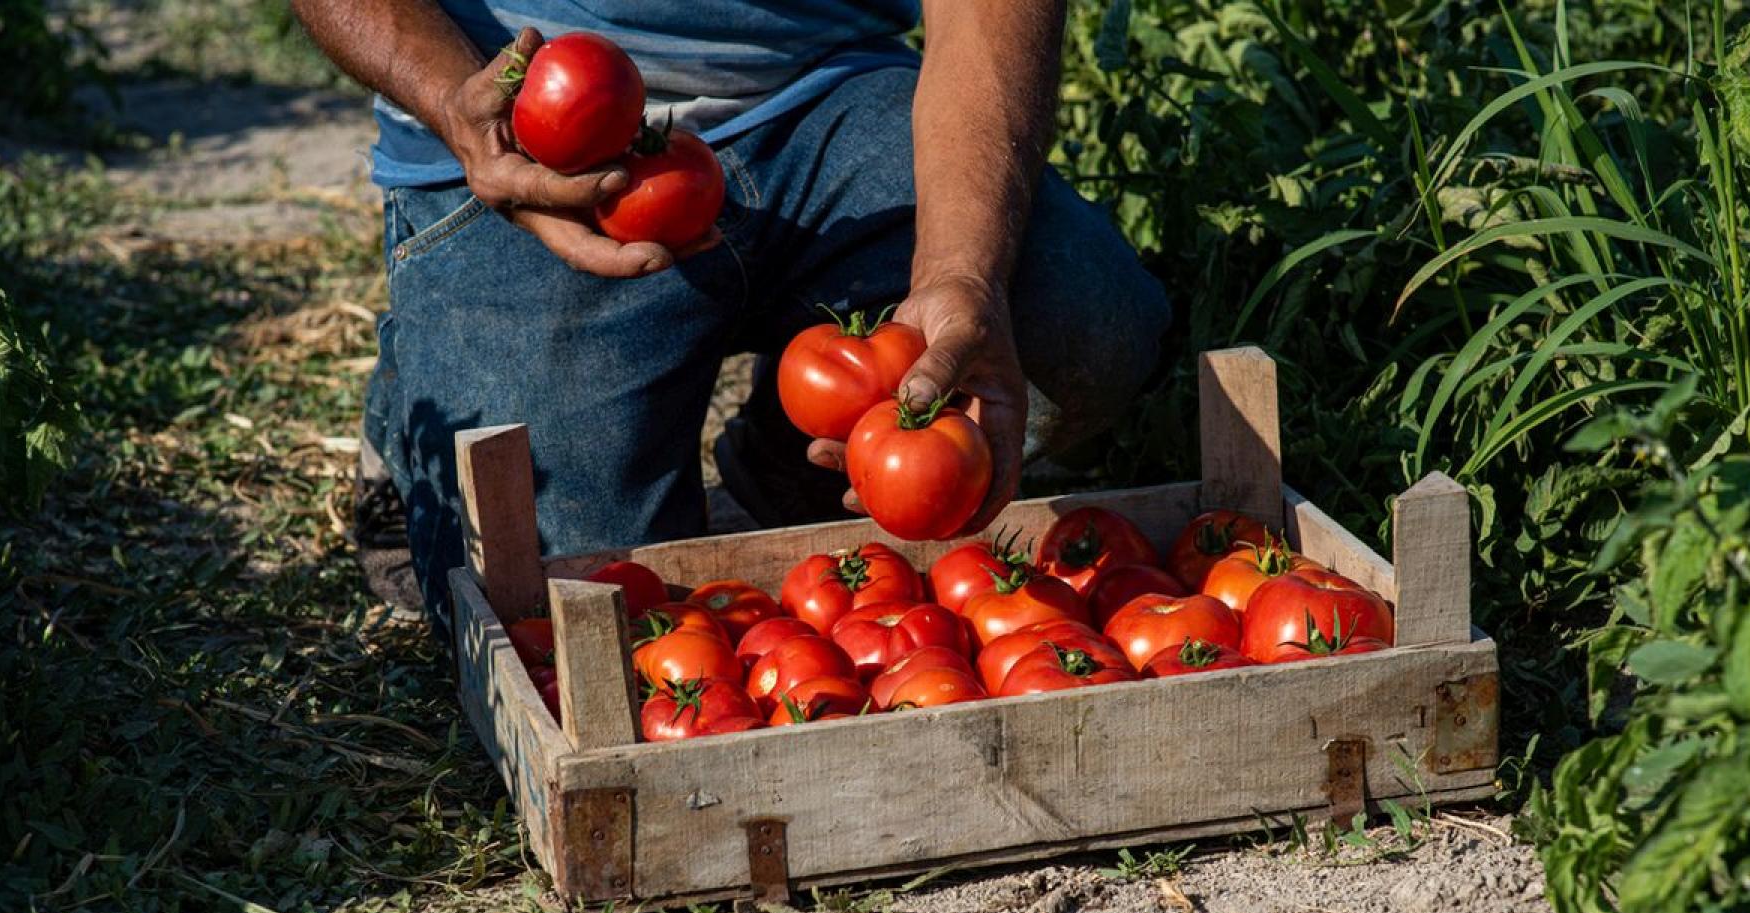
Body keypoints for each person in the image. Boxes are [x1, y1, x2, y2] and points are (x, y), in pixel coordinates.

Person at [290, 0, 1171, 629]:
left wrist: (963, 272)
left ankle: (787, 477)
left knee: (1077, 328)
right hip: (541, 142)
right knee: (581, 603)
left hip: (831, 92)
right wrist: (453, 103)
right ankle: (412, 399)